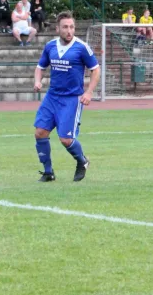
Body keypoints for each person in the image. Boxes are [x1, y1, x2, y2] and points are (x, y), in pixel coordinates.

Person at [33, 11, 101, 182]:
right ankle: (48, 172)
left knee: (65, 139)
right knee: (40, 133)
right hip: (52, 96)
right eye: (65, 27)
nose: (69, 30)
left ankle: (82, 160)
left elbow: (96, 69)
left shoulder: (81, 47)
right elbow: (40, 67)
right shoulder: (50, 46)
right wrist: (37, 81)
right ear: (58, 29)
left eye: (71, 27)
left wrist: (89, 92)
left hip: (72, 99)